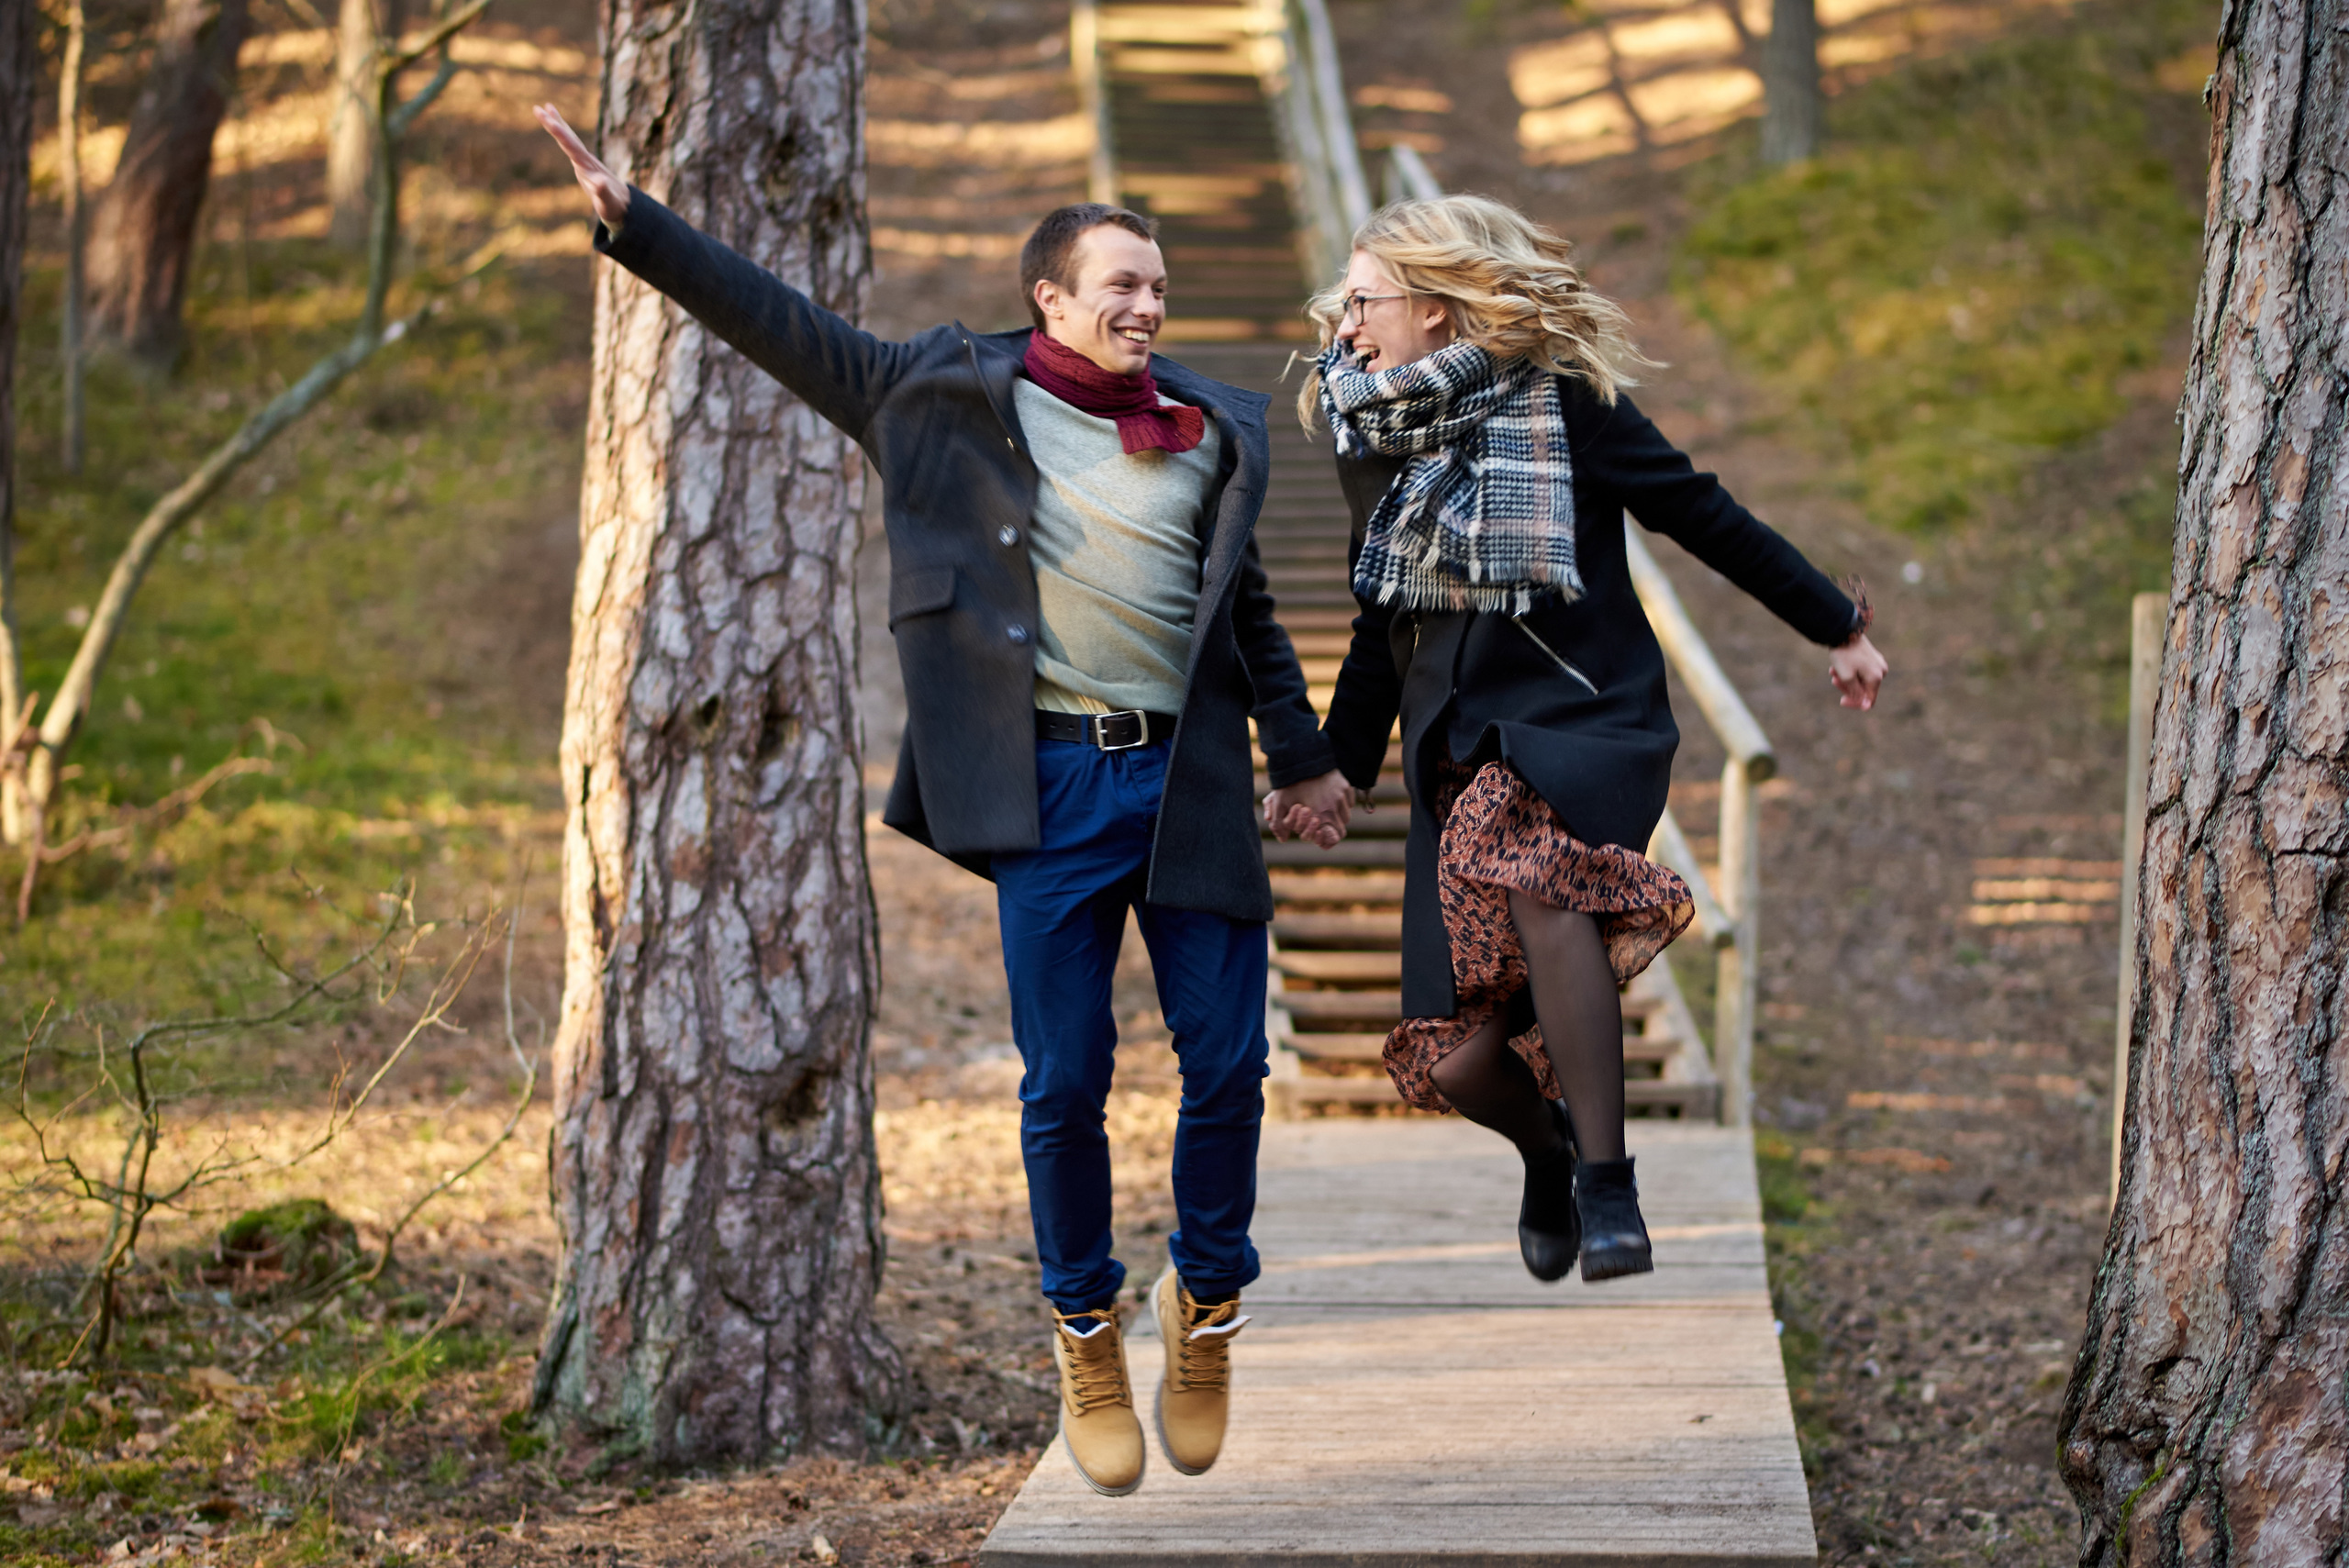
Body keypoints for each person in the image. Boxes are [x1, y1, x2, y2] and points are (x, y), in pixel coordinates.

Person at [534, 105, 1354, 1496]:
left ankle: (1205, 1303)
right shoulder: (939, 394)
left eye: (1158, 286)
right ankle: (1085, 1326)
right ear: (1051, 296)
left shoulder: (1212, 424)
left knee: (1228, 1067)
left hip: (1193, 783)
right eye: (1123, 286)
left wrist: (1310, 754)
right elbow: (787, 330)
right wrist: (640, 226)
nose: (1149, 306)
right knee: (1068, 1079)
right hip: (1046, 787)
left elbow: (1251, 608)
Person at [1288, 194, 1887, 1284]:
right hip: (1453, 743)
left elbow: (1702, 512)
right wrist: (1336, 761)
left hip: (1577, 713)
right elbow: (1387, 616)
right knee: (1463, 1062)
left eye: (1363, 298)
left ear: (1434, 305)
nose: (1345, 320)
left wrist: (1833, 623)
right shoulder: (1368, 428)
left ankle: (1610, 1186)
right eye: (1346, 299)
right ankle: (1549, 1149)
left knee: (1537, 873)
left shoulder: (1563, 407)